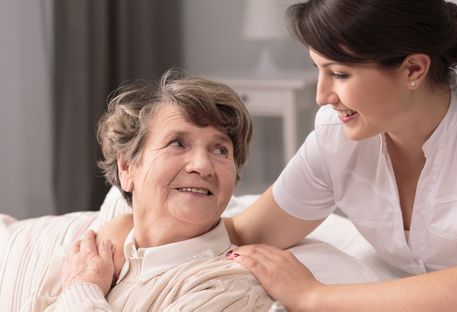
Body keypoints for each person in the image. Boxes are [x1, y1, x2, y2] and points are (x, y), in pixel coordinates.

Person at [224, 0, 457, 311]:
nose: (322, 96)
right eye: (318, 70)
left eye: (338, 74)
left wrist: (311, 295)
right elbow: (247, 232)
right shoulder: (337, 134)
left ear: (413, 69)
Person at [17, 70, 272, 311]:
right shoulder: (91, 252)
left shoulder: (227, 289)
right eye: (178, 143)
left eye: (220, 150)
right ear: (127, 167)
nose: (203, 166)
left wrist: (82, 290)